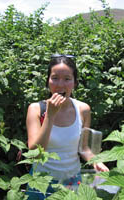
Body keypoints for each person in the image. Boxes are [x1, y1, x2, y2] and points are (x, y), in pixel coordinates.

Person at [25, 54, 109, 199]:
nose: (60, 85)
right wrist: (50, 116)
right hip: (41, 182)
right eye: (55, 78)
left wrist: (96, 162)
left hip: (71, 180)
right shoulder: (36, 109)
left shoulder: (83, 109)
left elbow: (84, 148)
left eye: (67, 79)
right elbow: (35, 153)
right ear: (48, 81)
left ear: (75, 83)